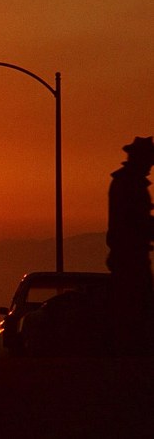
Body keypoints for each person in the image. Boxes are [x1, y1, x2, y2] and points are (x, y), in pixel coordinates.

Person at [107, 136, 154, 355]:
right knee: (136, 304)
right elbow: (136, 221)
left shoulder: (125, 182)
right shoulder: (130, 184)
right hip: (130, 255)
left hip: (128, 253)